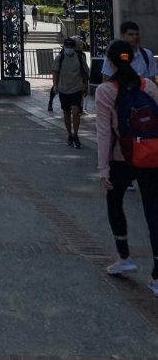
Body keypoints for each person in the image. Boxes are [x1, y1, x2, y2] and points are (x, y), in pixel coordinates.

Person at [96, 39, 158, 294]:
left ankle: (124, 256)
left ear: (109, 63)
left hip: (122, 158)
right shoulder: (149, 85)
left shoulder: (106, 91)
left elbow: (103, 133)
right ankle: (157, 274)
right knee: (154, 212)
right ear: (131, 59)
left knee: (115, 202)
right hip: (151, 157)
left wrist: (103, 168)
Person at [52, 37, 90, 148]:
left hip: (76, 88)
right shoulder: (60, 58)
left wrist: (86, 86)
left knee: (76, 111)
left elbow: (85, 73)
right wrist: (55, 85)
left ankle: (76, 134)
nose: (69, 49)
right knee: (66, 112)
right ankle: (69, 134)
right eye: (67, 46)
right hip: (63, 89)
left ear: (74, 48)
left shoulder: (79, 57)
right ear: (64, 47)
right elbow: (55, 72)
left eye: (71, 47)